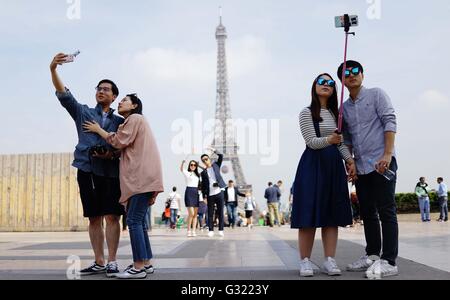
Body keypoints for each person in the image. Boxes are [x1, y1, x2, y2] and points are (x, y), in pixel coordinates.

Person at [50, 53, 125, 277]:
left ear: (114, 97)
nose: (101, 91)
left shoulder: (121, 122)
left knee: (113, 216)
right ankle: (99, 261)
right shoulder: (83, 112)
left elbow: (125, 147)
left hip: (111, 172)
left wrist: (111, 154)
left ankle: (112, 261)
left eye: (106, 89)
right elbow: (64, 95)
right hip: (87, 170)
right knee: (94, 217)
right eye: (98, 88)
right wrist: (53, 69)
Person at [83, 93, 163, 279]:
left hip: (140, 178)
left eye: (124, 100)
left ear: (134, 106)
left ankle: (138, 267)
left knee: (134, 222)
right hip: (145, 177)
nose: (120, 103)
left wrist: (98, 130)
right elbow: (125, 148)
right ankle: (146, 263)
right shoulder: (139, 121)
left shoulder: (134, 118)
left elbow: (118, 141)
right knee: (140, 222)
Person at [340, 60, 399, 279]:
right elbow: (346, 139)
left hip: (382, 162)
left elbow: (390, 121)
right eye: (347, 73)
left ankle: (390, 260)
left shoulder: (377, 94)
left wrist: (387, 153)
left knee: (386, 211)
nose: (352, 75)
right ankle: (373, 255)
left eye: (356, 71)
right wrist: (351, 162)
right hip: (361, 166)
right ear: (343, 81)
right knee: (367, 213)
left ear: (362, 75)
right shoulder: (343, 108)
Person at [291, 73, 354, 278]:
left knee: (331, 215)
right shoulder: (307, 112)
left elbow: (341, 143)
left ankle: (329, 260)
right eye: (322, 82)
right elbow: (311, 141)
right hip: (312, 166)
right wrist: (331, 139)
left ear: (335, 89)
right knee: (308, 214)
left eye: (330, 83)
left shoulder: (338, 114)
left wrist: (349, 160)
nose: (326, 85)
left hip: (333, 166)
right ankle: (305, 261)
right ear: (314, 86)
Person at [200, 148, 227, 237]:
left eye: (206, 159)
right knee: (210, 213)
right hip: (210, 194)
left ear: (209, 159)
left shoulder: (216, 165)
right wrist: (204, 196)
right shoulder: (203, 173)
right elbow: (203, 185)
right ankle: (211, 230)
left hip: (219, 192)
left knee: (220, 212)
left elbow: (221, 155)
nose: (205, 161)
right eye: (203, 160)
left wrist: (214, 150)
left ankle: (221, 229)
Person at [180, 159, 201, 237]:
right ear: (189, 165)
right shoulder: (187, 173)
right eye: (191, 165)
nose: (193, 166)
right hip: (189, 192)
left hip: (196, 192)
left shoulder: (198, 175)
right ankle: (188, 230)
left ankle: (194, 230)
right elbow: (181, 169)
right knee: (191, 214)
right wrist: (182, 162)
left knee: (195, 214)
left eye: (194, 165)